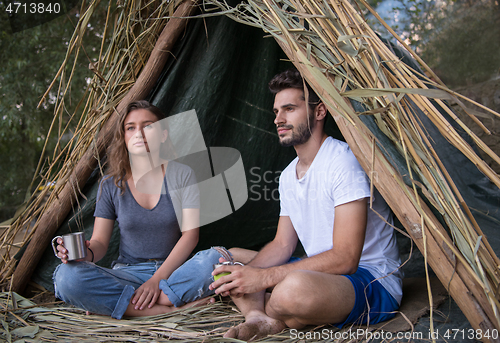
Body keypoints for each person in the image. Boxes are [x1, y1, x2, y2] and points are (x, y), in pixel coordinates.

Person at [210, 69, 403, 340]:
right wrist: (249, 273)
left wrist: (263, 280)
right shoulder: (289, 174)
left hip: (370, 280)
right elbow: (282, 245)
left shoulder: (343, 162)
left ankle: (268, 307)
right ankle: (259, 317)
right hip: (317, 269)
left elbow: (347, 259)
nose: (279, 119)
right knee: (231, 259)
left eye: (289, 108)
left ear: (320, 111)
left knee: (293, 289)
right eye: (276, 111)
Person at [53, 100, 230, 319]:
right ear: (124, 137)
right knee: (66, 277)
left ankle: (123, 306)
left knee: (213, 261)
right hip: (126, 273)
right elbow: (100, 243)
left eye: (148, 126)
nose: (139, 133)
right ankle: (168, 309)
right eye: (131, 128)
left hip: (173, 272)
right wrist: (86, 254)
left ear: (163, 135)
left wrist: (156, 281)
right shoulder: (110, 184)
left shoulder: (183, 175)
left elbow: (190, 237)